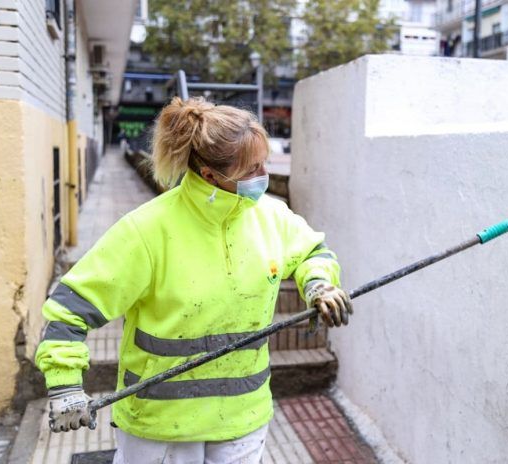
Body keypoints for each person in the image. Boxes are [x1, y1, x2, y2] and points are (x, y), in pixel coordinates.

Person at [34, 97, 353, 463]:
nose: (263, 175)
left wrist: (319, 284)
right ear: (209, 175)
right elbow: (68, 311)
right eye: (252, 168)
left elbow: (313, 252)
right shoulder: (147, 231)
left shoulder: (272, 217)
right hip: (161, 429)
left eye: (263, 163)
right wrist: (65, 385)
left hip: (242, 419)